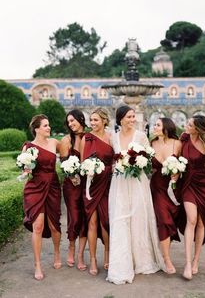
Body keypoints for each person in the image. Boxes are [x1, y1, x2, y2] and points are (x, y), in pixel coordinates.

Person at [107, 105, 165, 285]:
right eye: (129, 117)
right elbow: (111, 160)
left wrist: (137, 164)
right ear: (121, 118)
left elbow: (149, 159)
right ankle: (122, 264)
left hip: (138, 182)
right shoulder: (113, 137)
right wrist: (118, 165)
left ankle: (141, 260)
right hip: (119, 183)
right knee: (120, 219)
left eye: (133, 116)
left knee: (138, 219)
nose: (132, 119)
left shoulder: (141, 136)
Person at [22, 114, 61, 280]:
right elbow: (24, 169)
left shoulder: (54, 143)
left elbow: (69, 152)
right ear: (36, 129)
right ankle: (37, 264)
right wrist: (26, 170)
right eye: (45, 125)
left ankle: (57, 253)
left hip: (52, 186)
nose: (49, 128)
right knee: (38, 225)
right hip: (35, 188)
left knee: (53, 225)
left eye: (49, 125)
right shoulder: (28, 147)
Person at [178, 115, 205, 280]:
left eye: (190, 124)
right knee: (191, 219)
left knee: (201, 222)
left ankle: (195, 260)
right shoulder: (184, 139)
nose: (186, 126)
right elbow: (176, 158)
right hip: (187, 183)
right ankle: (187, 263)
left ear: (198, 128)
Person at [80, 107, 113, 276]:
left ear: (104, 121)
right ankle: (93, 259)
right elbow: (82, 163)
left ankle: (108, 255)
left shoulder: (111, 137)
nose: (92, 123)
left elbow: (116, 161)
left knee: (105, 222)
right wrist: (88, 169)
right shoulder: (86, 138)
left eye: (95, 120)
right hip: (90, 186)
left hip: (107, 184)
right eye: (91, 120)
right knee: (92, 222)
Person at [150, 118, 182, 274]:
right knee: (163, 220)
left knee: (171, 221)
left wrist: (178, 173)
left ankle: (163, 255)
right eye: (155, 125)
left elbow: (183, 164)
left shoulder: (177, 144)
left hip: (173, 188)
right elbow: (149, 168)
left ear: (166, 128)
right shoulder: (151, 144)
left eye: (157, 125)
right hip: (157, 187)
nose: (154, 127)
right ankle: (167, 261)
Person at [59, 109, 87, 270]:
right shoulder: (65, 140)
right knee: (75, 217)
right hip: (71, 185)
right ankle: (71, 247)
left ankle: (81, 255)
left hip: (88, 183)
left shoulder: (89, 138)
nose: (71, 124)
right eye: (68, 122)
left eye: (73, 120)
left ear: (81, 119)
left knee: (85, 217)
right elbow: (64, 163)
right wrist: (71, 176)